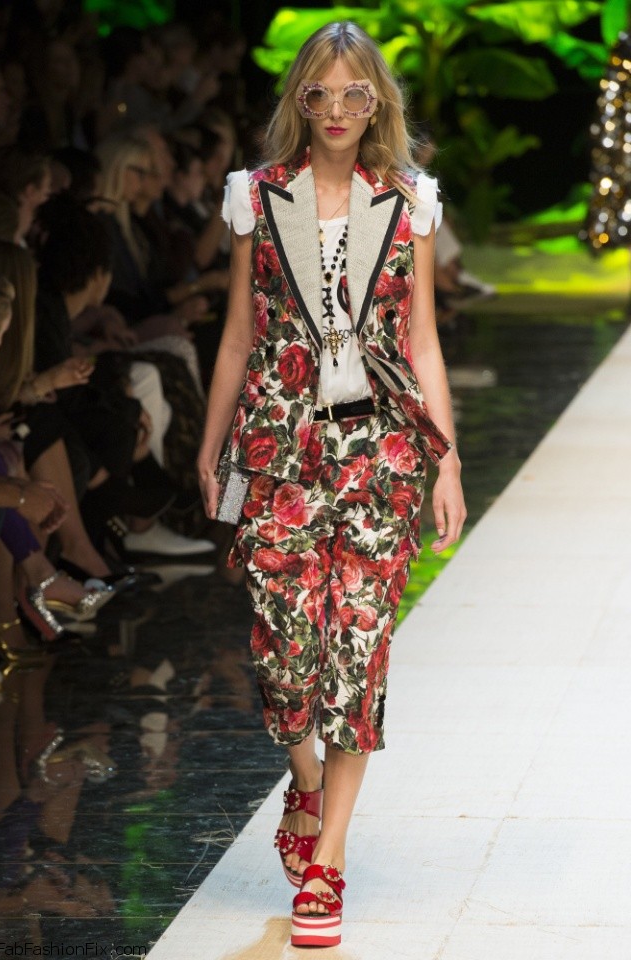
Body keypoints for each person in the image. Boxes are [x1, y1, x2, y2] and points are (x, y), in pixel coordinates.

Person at [197, 20, 466, 949]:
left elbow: (422, 338)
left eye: (357, 93)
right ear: (299, 100)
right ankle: (305, 782)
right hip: (280, 449)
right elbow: (239, 332)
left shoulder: (409, 200)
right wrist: (212, 447)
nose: (340, 110)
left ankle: (329, 859)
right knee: (284, 654)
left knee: (358, 652)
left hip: (382, 450)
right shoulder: (256, 195)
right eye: (322, 93)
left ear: (378, 100)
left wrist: (446, 459)